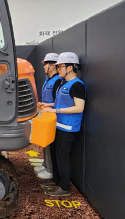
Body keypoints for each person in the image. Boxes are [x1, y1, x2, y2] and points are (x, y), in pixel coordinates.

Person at [41, 52, 86, 197]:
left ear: (70, 67)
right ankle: (56, 181)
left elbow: (79, 107)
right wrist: (49, 105)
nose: (58, 68)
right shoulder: (63, 82)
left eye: (60, 66)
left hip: (68, 128)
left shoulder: (77, 85)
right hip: (58, 125)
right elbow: (60, 102)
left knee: (63, 157)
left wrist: (57, 110)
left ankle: (64, 188)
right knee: (55, 155)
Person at [34, 53, 63, 179]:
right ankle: (45, 164)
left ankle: (50, 170)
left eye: (45, 64)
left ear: (52, 65)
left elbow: (58, 102)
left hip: (52, 117)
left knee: (50, 143)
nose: (44, 67)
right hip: (46, 115)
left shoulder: (57, 81)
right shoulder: (49, 79)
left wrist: (48, 105)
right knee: (44, 141)